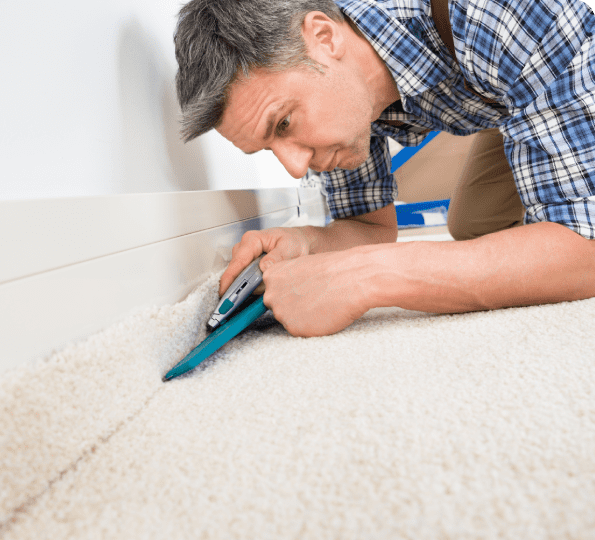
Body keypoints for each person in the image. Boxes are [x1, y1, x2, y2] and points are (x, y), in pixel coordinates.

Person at [174, 0, 595, 337]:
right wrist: (305, 243)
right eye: (269, 148)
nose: (296, 167)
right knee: (473, 224)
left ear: (323, 36)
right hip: (520, 98)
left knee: (553, 245)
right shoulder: (345, 87)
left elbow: (586, 251)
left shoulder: (502, 13)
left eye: (283, 123)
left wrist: (369, 276)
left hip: (567, 64)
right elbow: (372, 227)